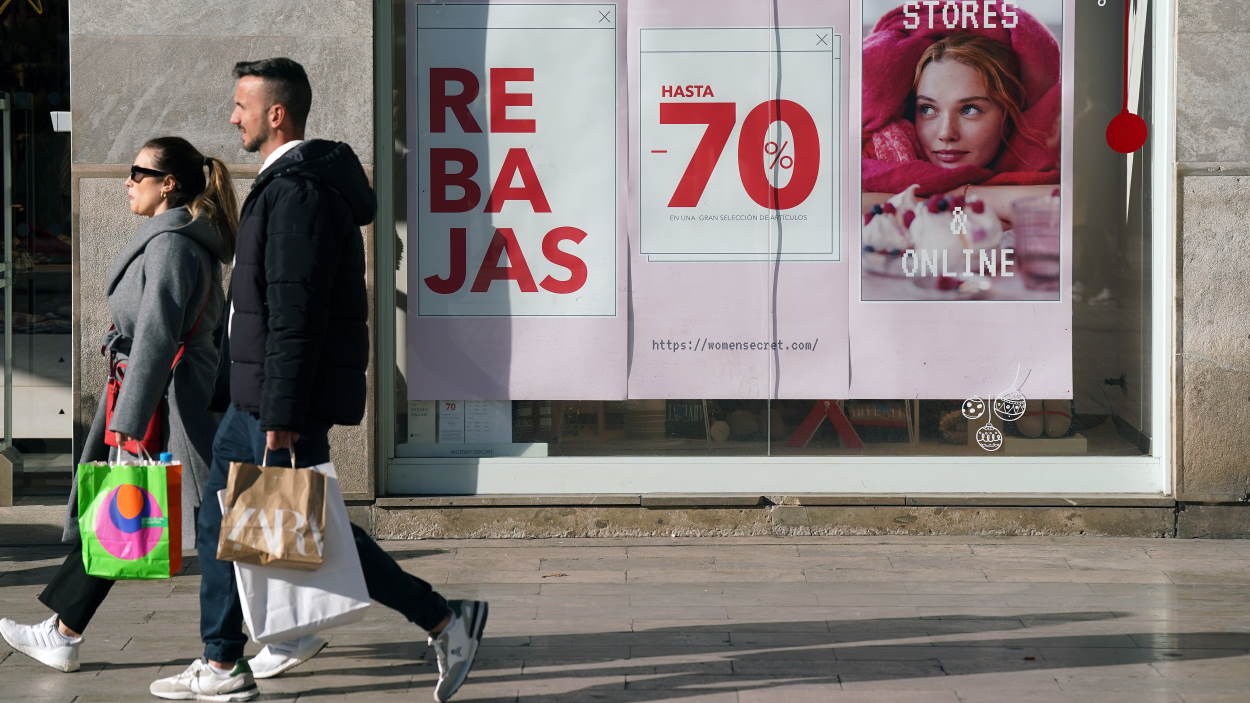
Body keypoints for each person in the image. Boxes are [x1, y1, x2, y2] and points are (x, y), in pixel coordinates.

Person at [149, 58, 487, 703]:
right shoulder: (287, 185)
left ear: (276, 114)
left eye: (240, 105)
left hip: (275, 406)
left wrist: (280, 414)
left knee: (310, 531)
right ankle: (222, 663)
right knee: (225, 524)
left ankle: (446, 620)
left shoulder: (298, 193)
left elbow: (294, 313)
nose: (231, 116)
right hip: (253, 400)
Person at [0, 137, 236, 673]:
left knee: (206, 519)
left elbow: (156, 336)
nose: (127, 182)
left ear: (168, 183)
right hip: (159, 393)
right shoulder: (168, 238)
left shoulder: (172, 243)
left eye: (137, 172)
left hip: (169, 400)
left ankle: (290, 624)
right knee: (129, 509)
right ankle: (63, 630)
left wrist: (129, 421)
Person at [861, 1, 1062, 225]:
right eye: (928, 109)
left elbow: (1071, 206)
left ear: (1008, 116)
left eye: (969, 109)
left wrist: (965, 194)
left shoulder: (1052, 158)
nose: (946, 133)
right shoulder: (880, 155)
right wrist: (944, 203)